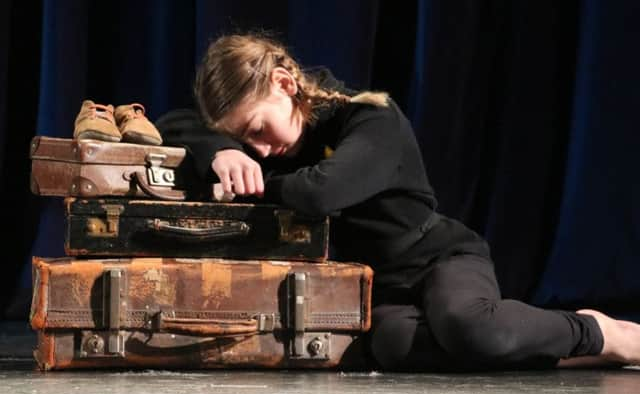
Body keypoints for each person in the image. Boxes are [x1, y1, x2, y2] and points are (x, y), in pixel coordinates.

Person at [163, 33, 640, 371]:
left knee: (467, 327)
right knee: (390, 346)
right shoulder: (254, 144)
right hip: (383, 287)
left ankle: (601, 333)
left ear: (286, 84)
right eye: (246, 142)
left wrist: (260, 184)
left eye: (258, 130)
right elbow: (173, 122)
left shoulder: (370, 116)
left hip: (439, 257)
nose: (259, 150)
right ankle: (549, 346)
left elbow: (323, 190)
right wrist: (219, 150)